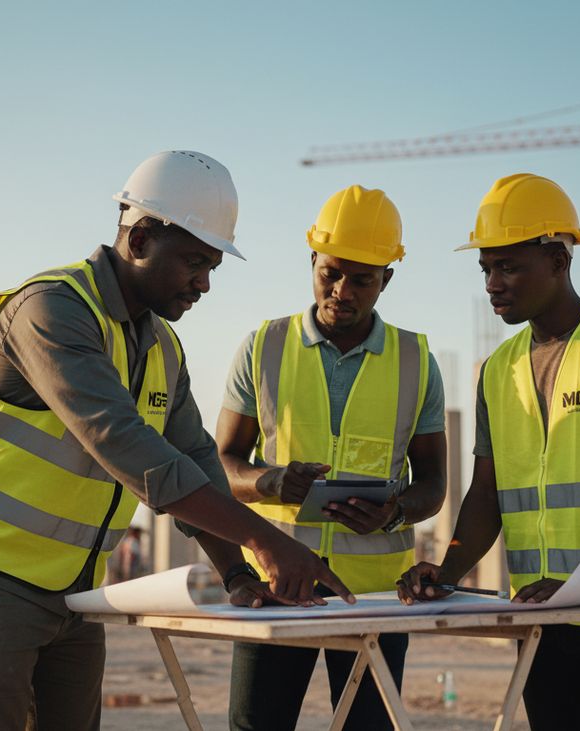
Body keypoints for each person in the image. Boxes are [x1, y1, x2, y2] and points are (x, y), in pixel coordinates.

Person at [0, 150, 353, 731]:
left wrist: (238, 573)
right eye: (195, 262)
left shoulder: (162, 348)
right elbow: (126, 447)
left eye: (214, 265)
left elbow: (195, 459)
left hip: (73, 588)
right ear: (140, 238)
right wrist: (265, 540)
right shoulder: (53, 311)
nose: (206, 283)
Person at [397, 173, 580, 731]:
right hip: (539, 610)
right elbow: (485, 491)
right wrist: (450, 569)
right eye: (486, 268)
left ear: (559, 261)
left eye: (508, 266)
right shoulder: (498, 370)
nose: (492, 283)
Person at [217, 185, 447, 731]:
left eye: (362, 279)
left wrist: (395, 511)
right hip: (275, 586)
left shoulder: (417, 361)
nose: (342, 290)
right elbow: (219, 465)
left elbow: (435, 482)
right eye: (330, 273)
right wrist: (270, 481)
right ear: (313, 260)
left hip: (373, 599)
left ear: (387, 278)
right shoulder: (263, 347)